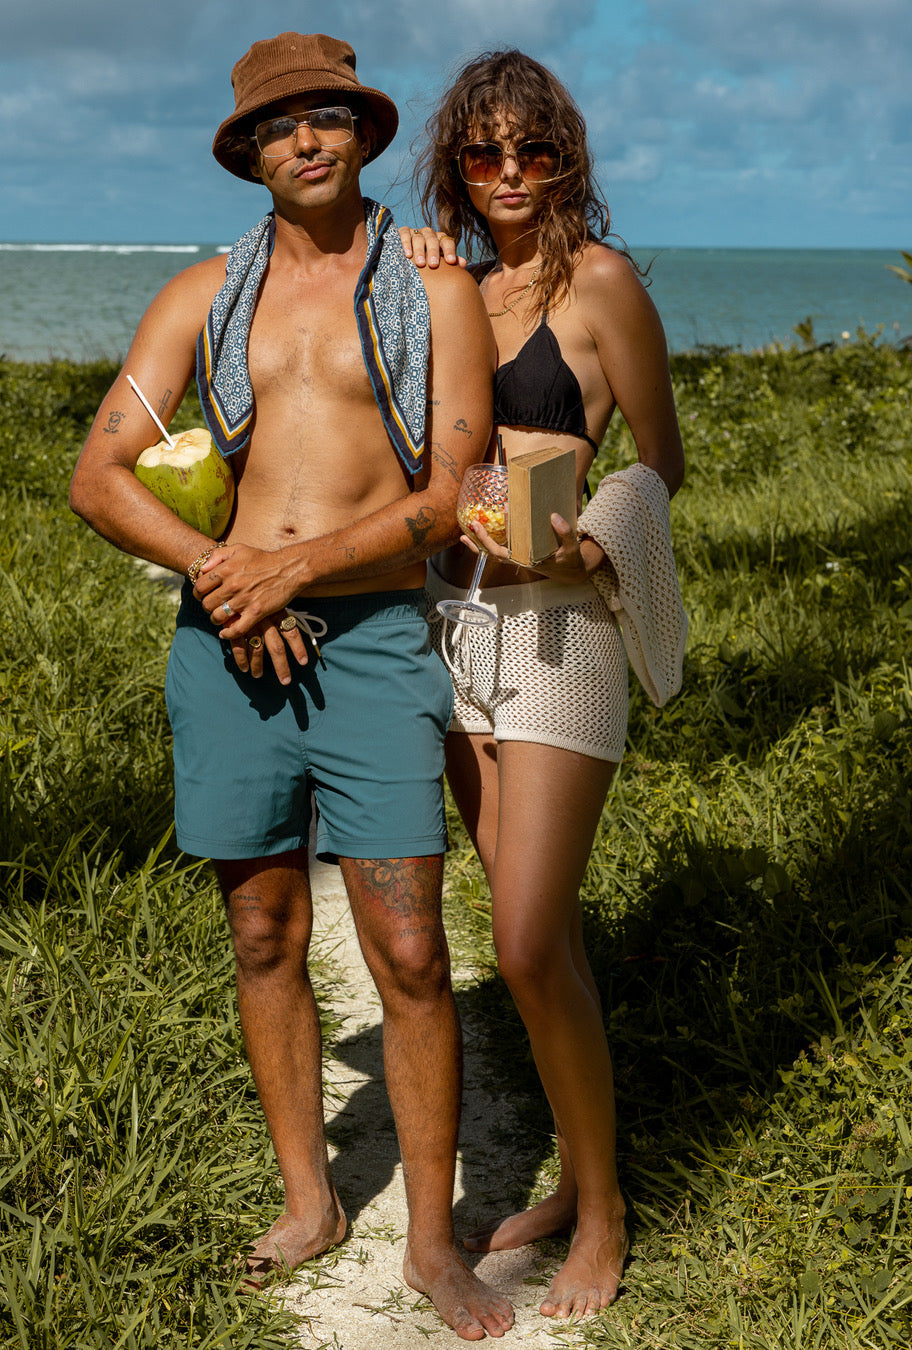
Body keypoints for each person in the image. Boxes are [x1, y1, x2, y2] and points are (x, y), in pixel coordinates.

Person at [69, 31, 515, 1342]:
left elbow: (450, 493)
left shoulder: (430, 287)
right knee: (262, 932)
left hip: (372, 636)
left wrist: (299, 568)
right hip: (230, 650)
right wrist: (228, 575)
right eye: (278, 127)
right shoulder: (204, 293)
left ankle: (434, 1240)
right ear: (249, 155)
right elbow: (100, 479)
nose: (304, 140)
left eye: (326, 117)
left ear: (362, 136)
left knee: (414, 947)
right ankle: (311, 1199)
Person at [405, 49, 687, 1322]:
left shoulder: (602, 286)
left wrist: (594, 531)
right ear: (455, 164)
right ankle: (574, 1181)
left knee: (521, 939)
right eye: (483, 153)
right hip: (457, 634)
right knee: (544, 941)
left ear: (566, 157)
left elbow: (661, 464)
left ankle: (608, 1209)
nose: (510, 173)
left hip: (563, 631)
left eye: (534, 150)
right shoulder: (451, 289)